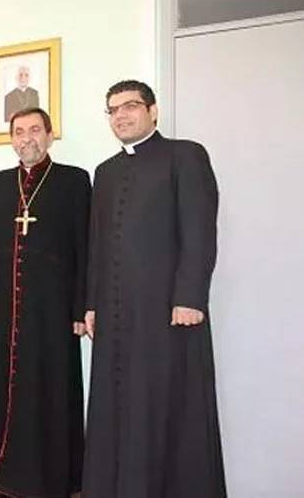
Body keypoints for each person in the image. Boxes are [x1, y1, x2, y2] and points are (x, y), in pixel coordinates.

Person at [83, 79, 227, 498]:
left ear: (153, 110)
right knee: (117, 406)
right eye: (112, 110)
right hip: (114, 312)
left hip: (167, 310)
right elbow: (97, 243)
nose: (121, 115)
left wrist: (190, 296)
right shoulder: (105, 172)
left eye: (130, 106)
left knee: (167, 405)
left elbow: (200, 230)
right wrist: (91, 304)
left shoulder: (185, 155)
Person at [0, 107, 88, 498]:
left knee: (48, 391)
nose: (27, 138)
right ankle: (0, 477)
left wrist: (81, 308)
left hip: (52, 311)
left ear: (50, 135)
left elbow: (86, 247)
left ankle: (51, 481)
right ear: (11, 138)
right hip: (1, 308)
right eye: (19, 131)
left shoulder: (74, 180)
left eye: (35, 130)